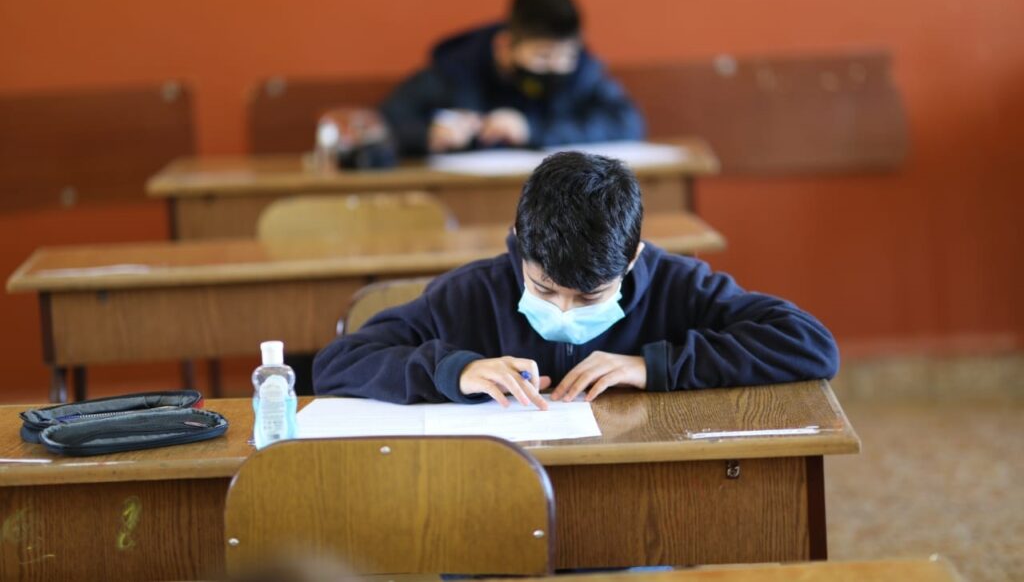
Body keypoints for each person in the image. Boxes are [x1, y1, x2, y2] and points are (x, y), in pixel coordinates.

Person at [313, 152, 838, 408]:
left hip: (639, 517)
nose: (563, 311)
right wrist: (457, 371)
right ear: (519, 241)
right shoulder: (471, 293)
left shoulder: (679, 286)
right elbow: (339, 363)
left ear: (632, 258)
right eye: (543, 290)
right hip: (494, 518)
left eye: (589, 296)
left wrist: (654, 366)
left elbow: (810, 345)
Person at [380, 0, 645, 155]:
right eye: (542, 56)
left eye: (566, 55)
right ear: (505, 47)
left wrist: (532, 131)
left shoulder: (582, 73)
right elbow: (385, 122)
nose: (556, 66)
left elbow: (627, 123)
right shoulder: (458, 69)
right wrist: (426, 134)